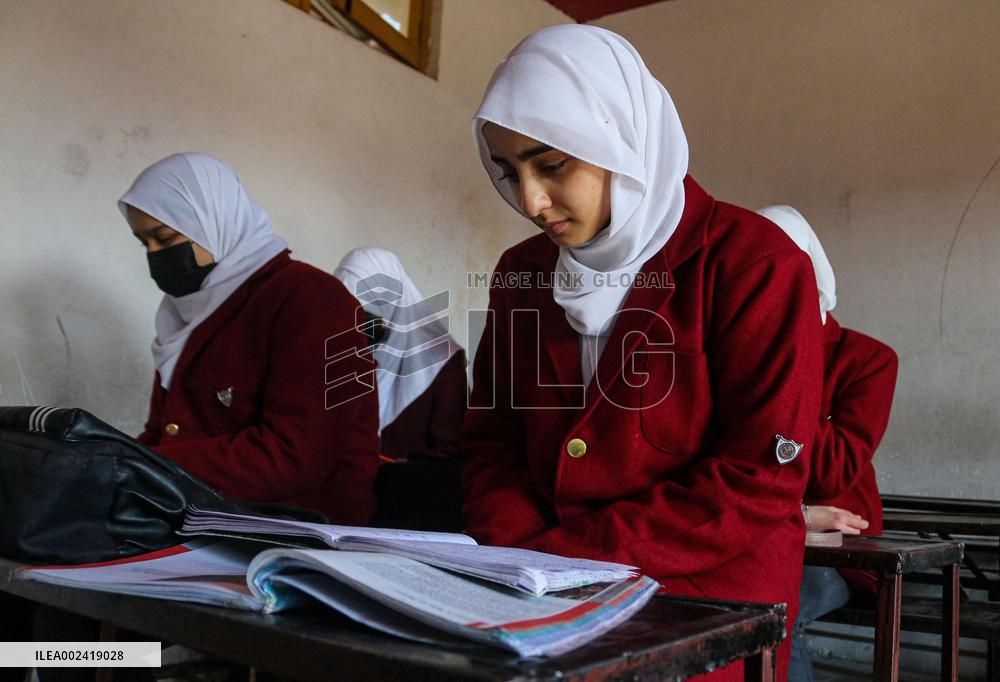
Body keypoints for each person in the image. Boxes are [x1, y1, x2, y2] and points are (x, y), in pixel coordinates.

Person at [461, 25, 824, 680]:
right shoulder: (522, 271)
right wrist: (522, 553)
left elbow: (757, 480)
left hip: (704, 600)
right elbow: (493, 439)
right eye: (508, 172)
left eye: (551, 165)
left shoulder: (754, 262)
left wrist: (567, 557)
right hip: (542, 586)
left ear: (620, 139)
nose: (529, 201)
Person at [123, 152, 379, 524]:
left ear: (215, 220)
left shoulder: (313, 300)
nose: (153, 255)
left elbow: (297, 455)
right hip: (201, 521)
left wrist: (143, 466)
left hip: (300, 537)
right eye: (143, 242)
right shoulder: (187, 313)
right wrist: (106, 460)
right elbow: (163, 431)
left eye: (165, 238)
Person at [758, 205, 899, 682]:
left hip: (838, 550)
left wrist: (786, 366)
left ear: (812, 277)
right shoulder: (734, 352)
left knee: (778, 610)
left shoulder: (868, 360)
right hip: (760, 527)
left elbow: (833, 473)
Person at [334, 247, 467, 530]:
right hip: (346, 498)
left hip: (410, 507)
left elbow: (451, 455)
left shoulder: (442, 361)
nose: (358, 328)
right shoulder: (347, 352)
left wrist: (384, 464)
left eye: (367, 316)